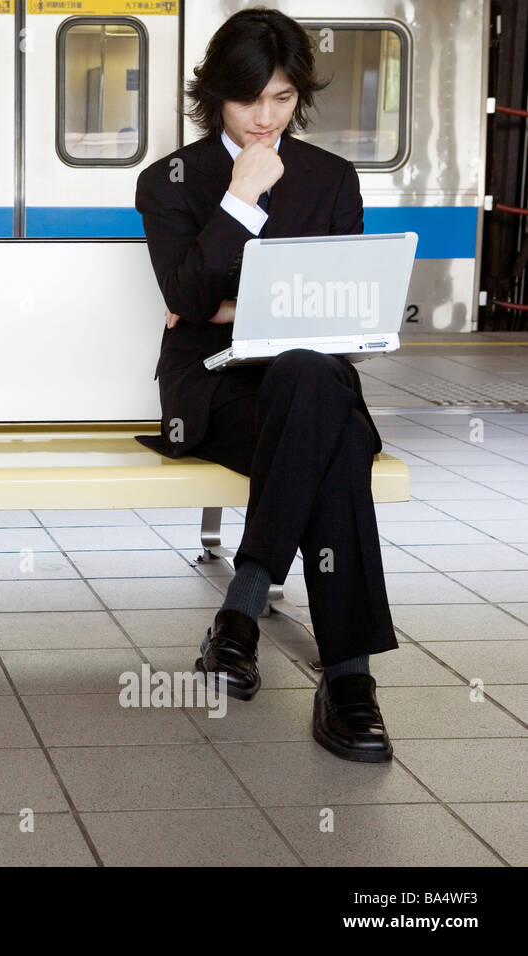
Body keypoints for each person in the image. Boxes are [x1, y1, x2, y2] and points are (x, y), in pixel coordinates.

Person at [134, 7, 395, 762]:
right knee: (332, 437)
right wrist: (241, 198)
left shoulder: (332, 179)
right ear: (217, 93)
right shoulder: (171, 181)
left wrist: (231, 306)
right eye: (251, 100)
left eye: (282, 100)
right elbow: (187, 298)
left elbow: (341, 308)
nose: (265, 117)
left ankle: (243, 613)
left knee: (311, 380)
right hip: (217, 391)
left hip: (303, 383)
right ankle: (349, 679)